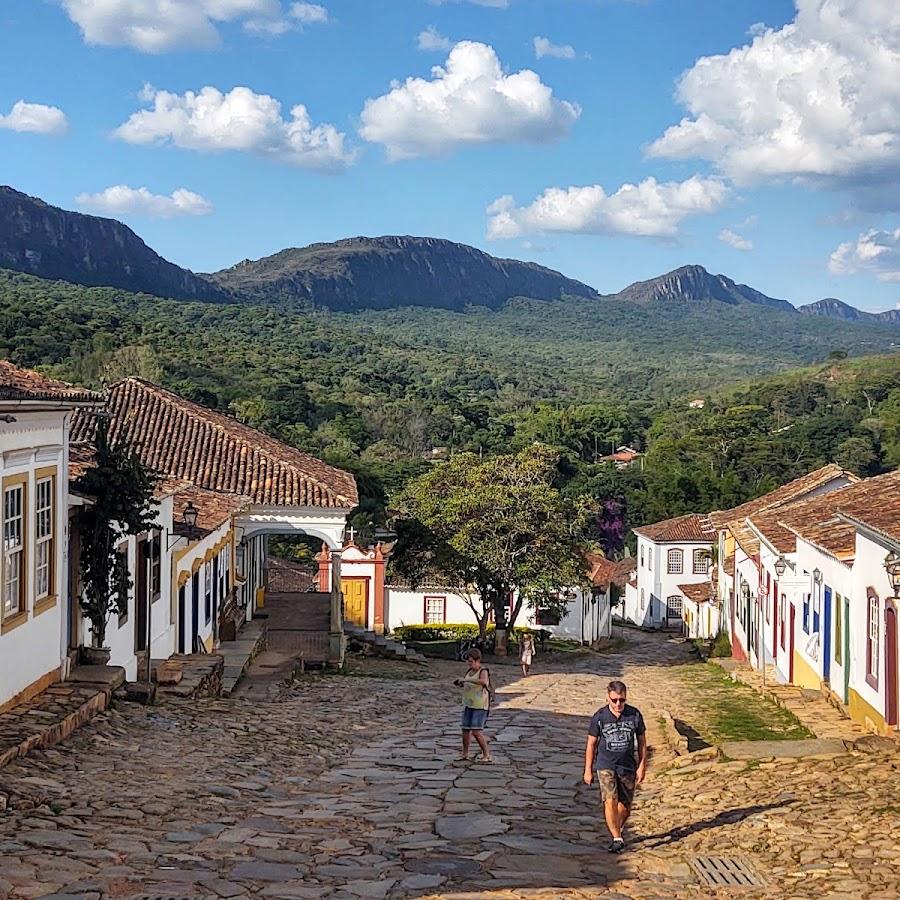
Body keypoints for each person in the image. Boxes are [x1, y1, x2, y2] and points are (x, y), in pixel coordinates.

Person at [583, 679, 647, 854]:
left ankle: (617, 829)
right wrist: (588, 769)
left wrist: (642, 765)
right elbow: (591, 743)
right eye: (614, 700)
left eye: (622, 700)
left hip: (627, 766)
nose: (618, 704)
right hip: (606, 764)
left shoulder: (634, 715)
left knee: (625, 805)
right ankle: (617, 838)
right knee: (610, 799)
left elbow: (641, 742)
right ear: (608, 698)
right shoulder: (600, 717)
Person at [453, 648, 493, 763]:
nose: (469, 664)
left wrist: (468, 681)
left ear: (477, 660)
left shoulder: (483, 671)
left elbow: (484, 682)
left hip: (479, 705)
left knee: (476, 731)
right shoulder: (469, 672)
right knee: (465, 729)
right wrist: (462, 682)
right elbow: (468, 683)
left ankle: (486, 754)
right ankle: (465, 753)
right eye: (468, 661)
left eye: (471, 661)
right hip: (468, 703)